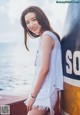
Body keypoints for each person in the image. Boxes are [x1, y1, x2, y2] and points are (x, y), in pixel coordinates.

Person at [21, 6, 63, 115]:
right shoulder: (46, 37)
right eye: (27, 22)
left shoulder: (47, 37)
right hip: (45, 90)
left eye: (34, 19)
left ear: (41, 18)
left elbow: (45, 69)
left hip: (45, 92)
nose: (31, 25)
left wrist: (33, 96)